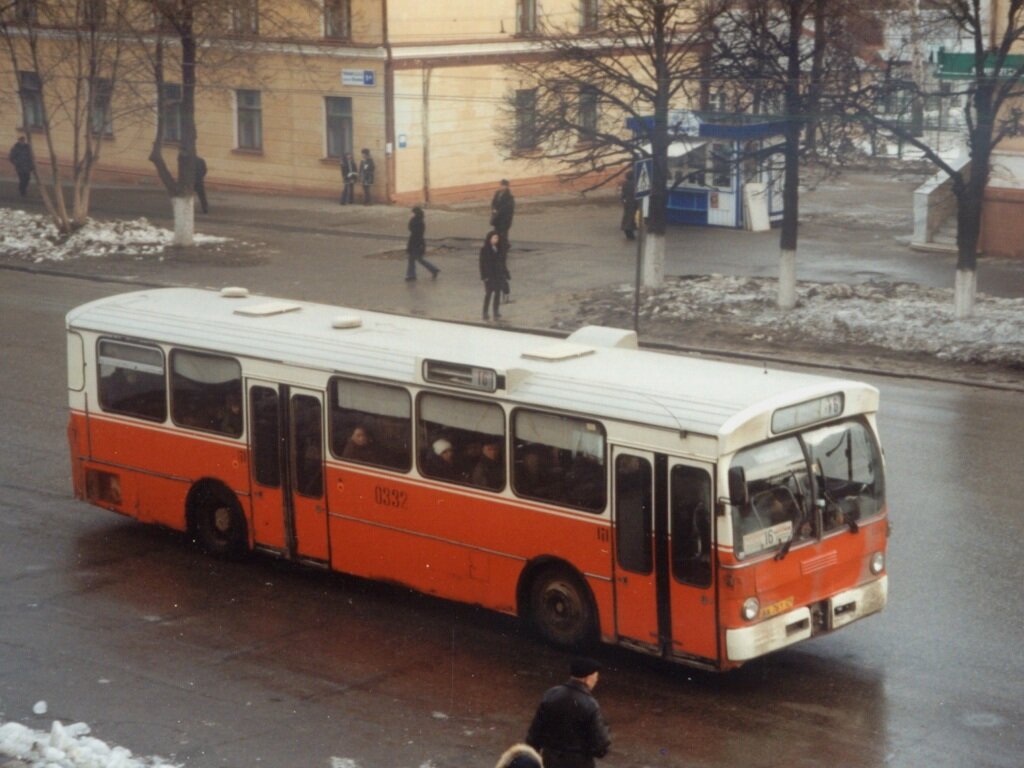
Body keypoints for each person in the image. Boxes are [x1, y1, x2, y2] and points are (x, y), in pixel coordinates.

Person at [526, 657, 611, 768]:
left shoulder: (551, 694)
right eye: (596, 676)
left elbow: (534, 735)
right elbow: (600, 747)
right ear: (587, 678)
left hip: (549, 761)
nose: (596, 680)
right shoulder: (590, 704)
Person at [490, 179, 515, 302]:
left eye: (502, 185)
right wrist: (494, 210)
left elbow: (507, 211)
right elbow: (493, 203)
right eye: (500, 185)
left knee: (502, 236)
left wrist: (498, 213)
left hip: (503, 221)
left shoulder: (509, 197)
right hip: (497, 220)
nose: (500, 187)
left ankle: (504, 245)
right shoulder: (497, 194)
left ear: (506, 186)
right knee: (497, 234)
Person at [479, 230, 509, 321]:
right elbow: (481, 264)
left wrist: (506, 273)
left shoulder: (498, 249)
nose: (496, 240)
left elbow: (502, 263)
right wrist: (484, 277)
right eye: (494, 238)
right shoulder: (484, 250)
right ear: (489, 239)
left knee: (497, 293)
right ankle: (485, 312)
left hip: (498, 275)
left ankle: (496, 311)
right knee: (488, 294)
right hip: (489, 276)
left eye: (497, 238)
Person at [405, 206, 440, 281]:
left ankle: (412, 275)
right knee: (416, 259)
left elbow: (411, 230)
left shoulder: (415, 221)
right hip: (419, 242)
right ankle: (432, 269)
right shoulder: (420, 221)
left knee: (414, 259)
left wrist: (411, 245)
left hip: (415, 242)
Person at [619, 169, 637, 240]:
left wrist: (623, 201)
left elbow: (623, 195)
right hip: (633, 202)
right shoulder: (635, 184)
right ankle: (629, 231)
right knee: (631, 217)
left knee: (627, 216)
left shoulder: (625, 184)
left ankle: (628, 231)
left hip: (627, 202)